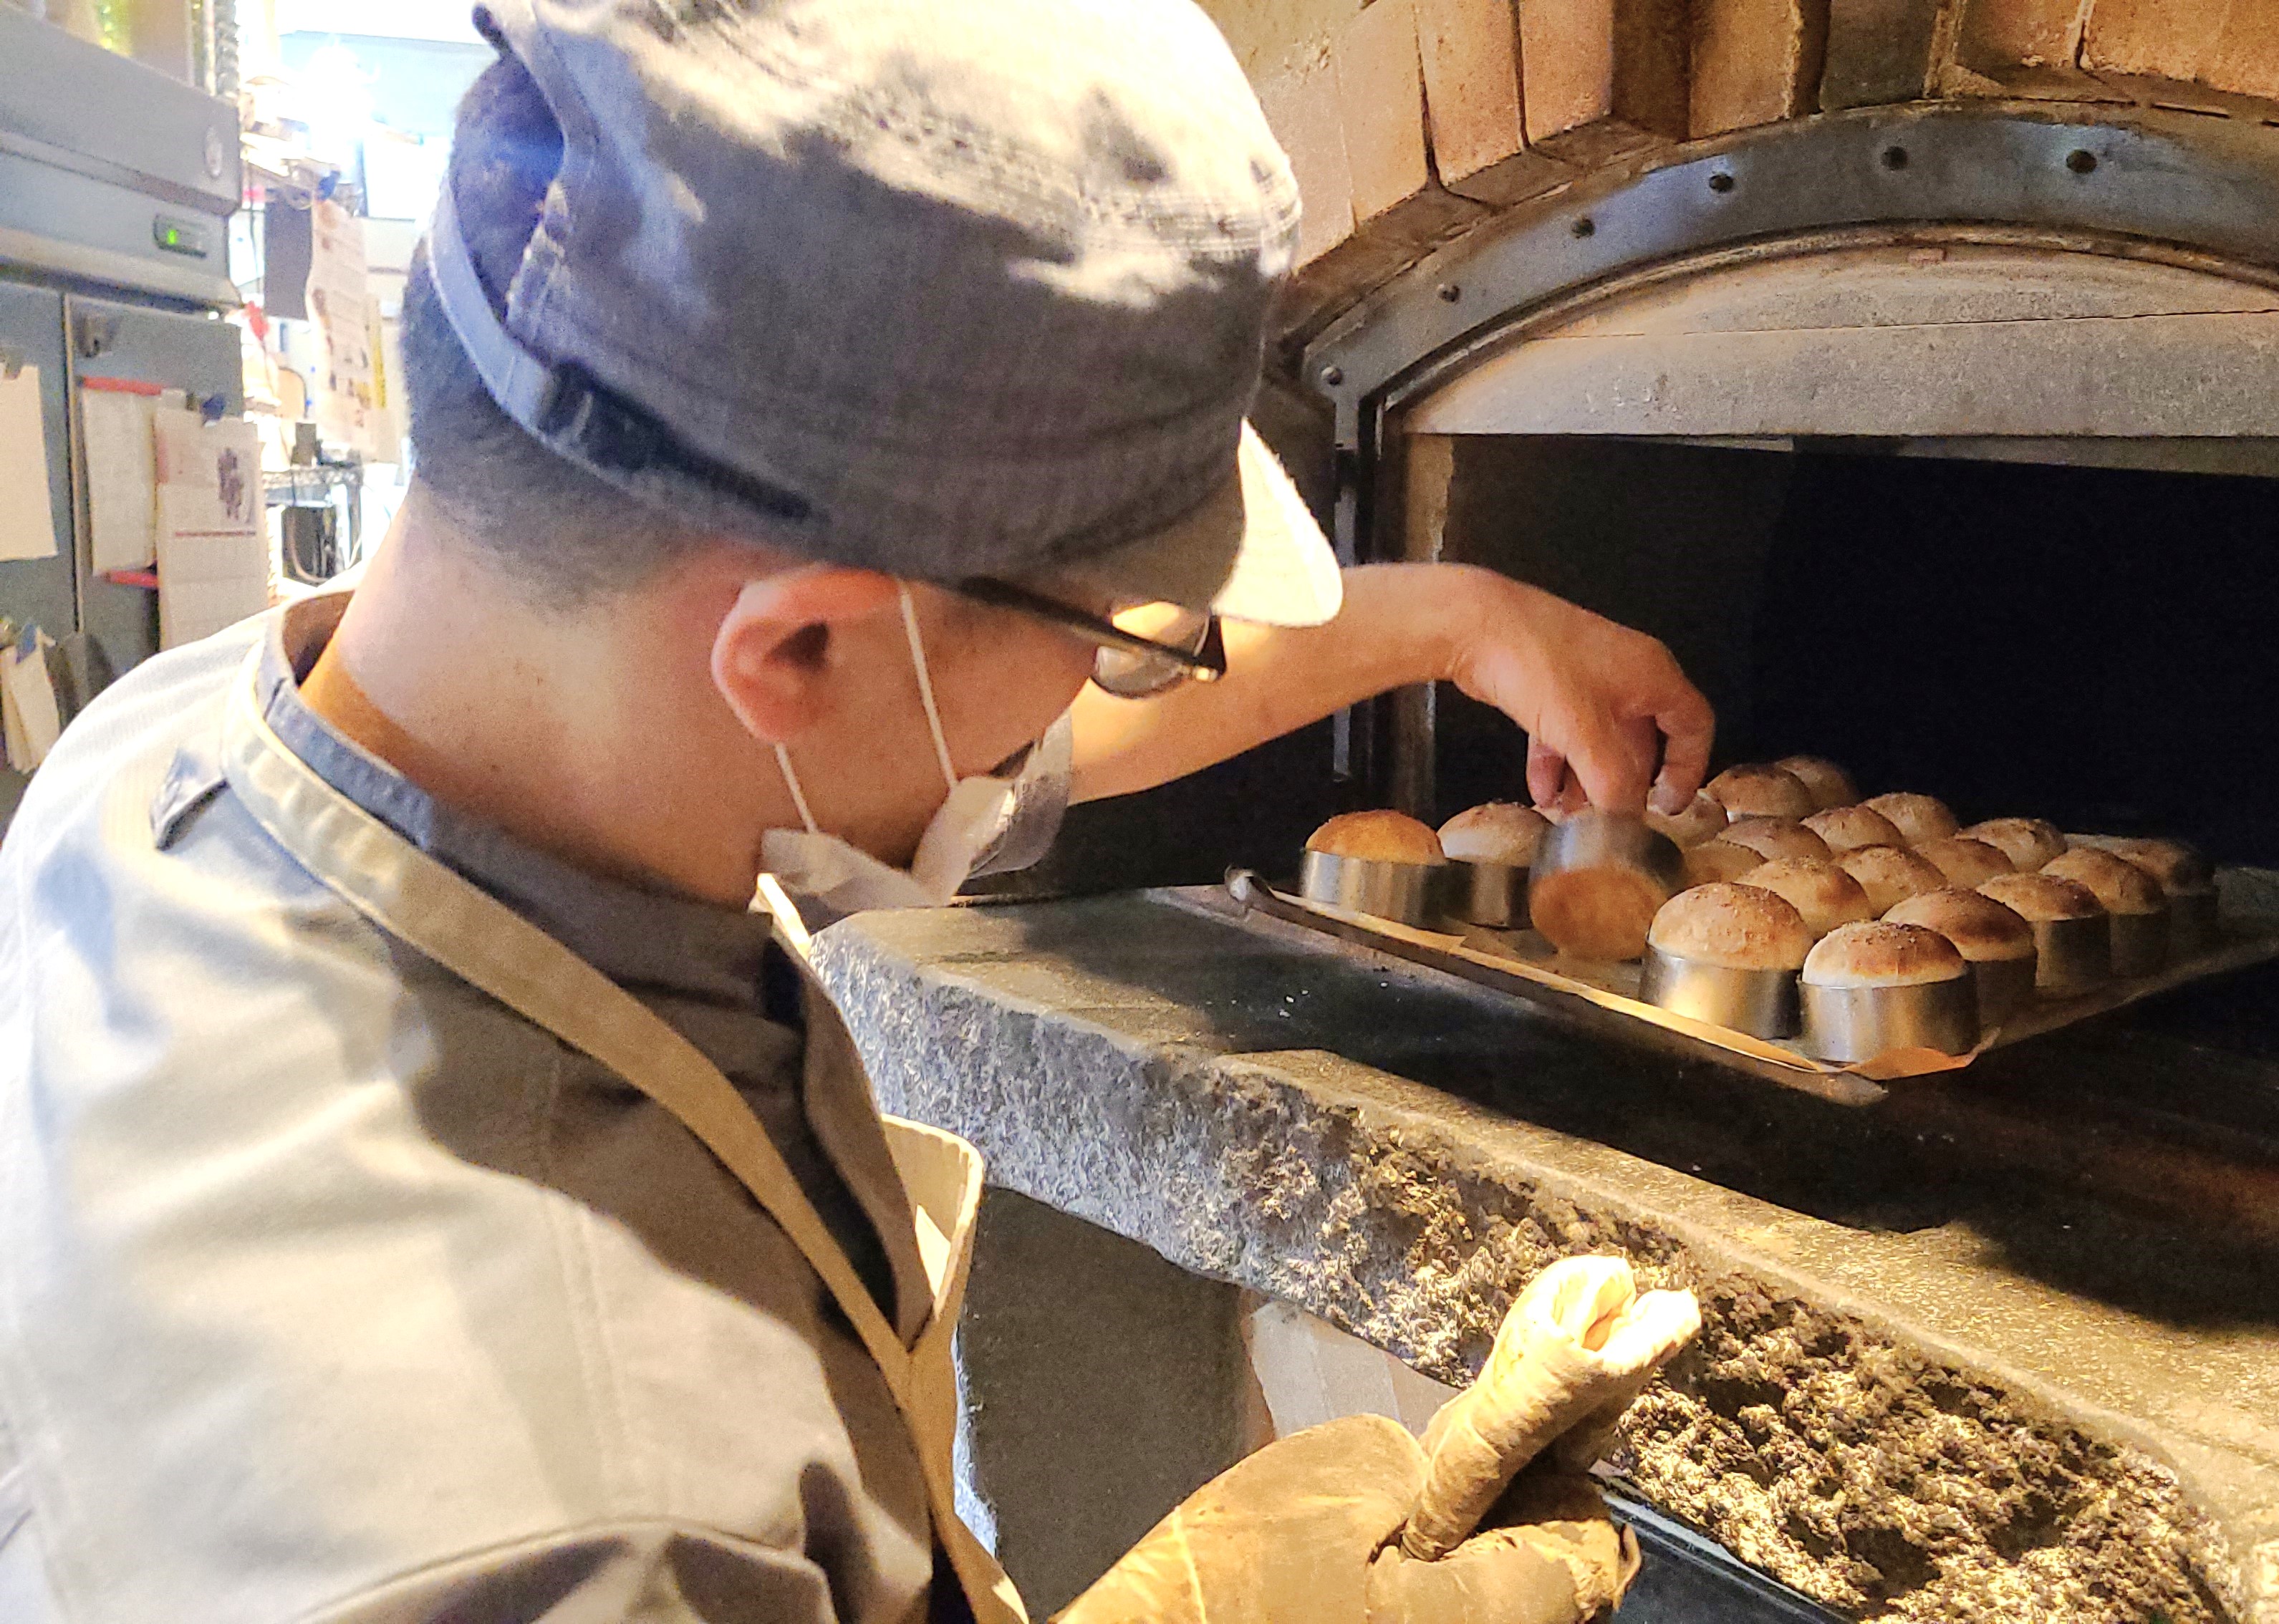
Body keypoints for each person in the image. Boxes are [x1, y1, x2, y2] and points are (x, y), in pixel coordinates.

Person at [0, 2, 1712, 1620]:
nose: (1097, 698)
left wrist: (1469, 622)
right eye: (1114, 640)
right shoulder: (600, 1509)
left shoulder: (197, 736)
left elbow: (999, 741)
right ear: (801, 645)